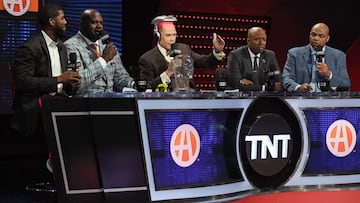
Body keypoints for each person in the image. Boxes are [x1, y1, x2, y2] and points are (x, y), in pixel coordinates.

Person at [10, 3, 81, 137]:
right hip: (36, 110)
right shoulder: (30, 48)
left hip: (59, 106)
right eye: (63, 18)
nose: (66, 22)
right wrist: (58, 79)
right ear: (52, 22)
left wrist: (71, 85)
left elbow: (63, 84)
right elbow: (23, 82)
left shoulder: (62, 47)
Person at [138, 15, 225, 91]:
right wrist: (167, 73)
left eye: (174, 35)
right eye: (168, 35)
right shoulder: (147, 59)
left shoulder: (184, 48)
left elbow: (205, 62)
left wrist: (217, 51)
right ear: (158, 35)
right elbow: (147, 88)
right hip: (164, 103)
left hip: (188, 98)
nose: (172, 39)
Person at [64, 9, 135, 96]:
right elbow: (77, 83)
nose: (99, 26)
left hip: (110, 102)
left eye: (101, 23)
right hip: (85, 103)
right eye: (94, 23)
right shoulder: (70, 46)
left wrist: (133, 84)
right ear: (83, 24)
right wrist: (103, 60)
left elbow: (120, 78)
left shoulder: (107, 45)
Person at [282, 22, 350, 92]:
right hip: (303, 99)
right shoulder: (294, 54)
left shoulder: (338, 56)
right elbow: (286, 79)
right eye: (313, 34)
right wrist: (298, 87)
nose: (316, 38)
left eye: (321, 36)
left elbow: (345, 84)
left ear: (327, 38)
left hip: (328, 99)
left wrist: (329, 74)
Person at [227, 27, 281, 91]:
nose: (261, 43)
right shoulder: (236, 55)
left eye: (264, 39)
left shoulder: (270, 55)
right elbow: (235, 84)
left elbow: (278, 81)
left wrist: (250, 86)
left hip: (265, 98)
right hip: (243, 99)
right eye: (256, 39)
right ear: (248, 41)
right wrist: (265, 87)